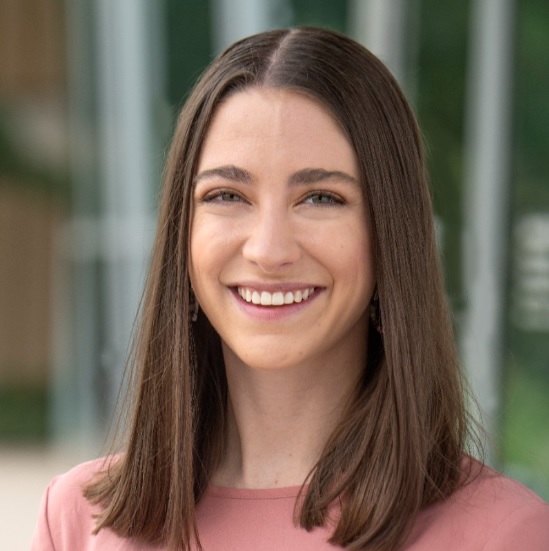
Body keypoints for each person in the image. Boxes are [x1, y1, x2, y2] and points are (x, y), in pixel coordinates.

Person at [31, 27, 549, 551]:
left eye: (321, 198)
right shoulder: (77, 522)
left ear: (391, 236)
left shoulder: (506, 534)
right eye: (227, 194)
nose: (268, 250)